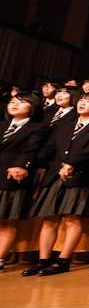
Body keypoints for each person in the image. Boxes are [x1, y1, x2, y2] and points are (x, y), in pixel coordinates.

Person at [23, 92, 89, 276]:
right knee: (48, 219)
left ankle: (63, 260)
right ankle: (43, 260)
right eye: (81, 100)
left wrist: (72, 163)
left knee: (72, 218)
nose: (83, 103)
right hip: (55, 174)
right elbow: (49, 148)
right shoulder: (64, 124)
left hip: (80, 175)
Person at [0, 95, 44, 271]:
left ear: (33, 107)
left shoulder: (37, 128)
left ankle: (1, 257)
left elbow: (31, 150)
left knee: (7, 221)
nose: (15, 104)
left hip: (13, 177)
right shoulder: (2, 125)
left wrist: (21, 165)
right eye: (12, 102)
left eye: (21, 102)